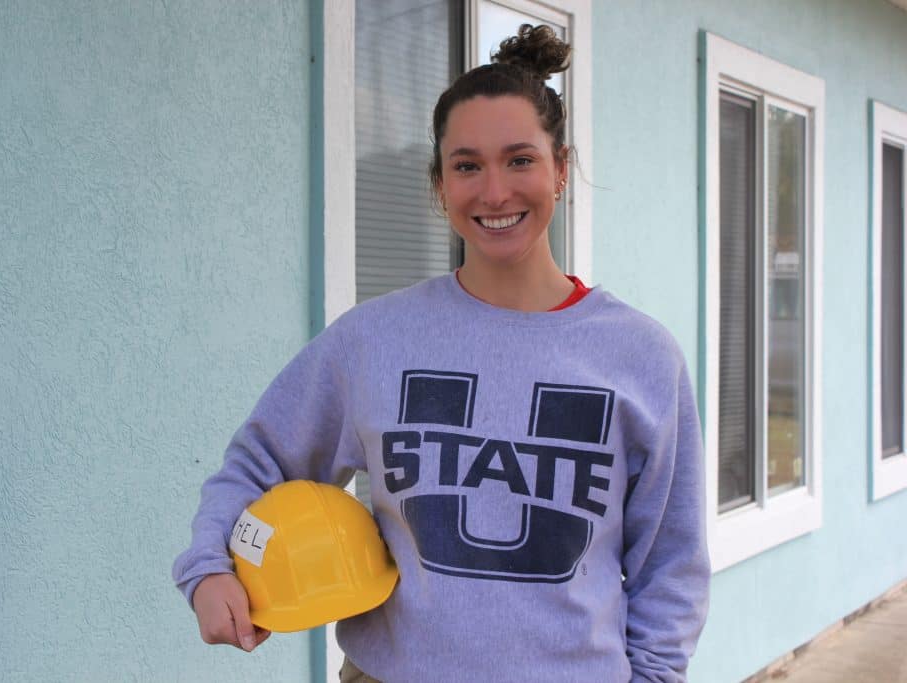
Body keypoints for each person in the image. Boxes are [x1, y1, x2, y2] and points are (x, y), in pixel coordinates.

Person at [173, 24, 709, 683]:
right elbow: (259, 461)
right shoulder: (373, 339)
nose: (494, 191)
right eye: (467, 165)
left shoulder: (641, 355)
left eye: (520, 159)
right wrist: (209, 568)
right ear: (439, 183)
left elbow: (670, 558)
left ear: (561, 169)